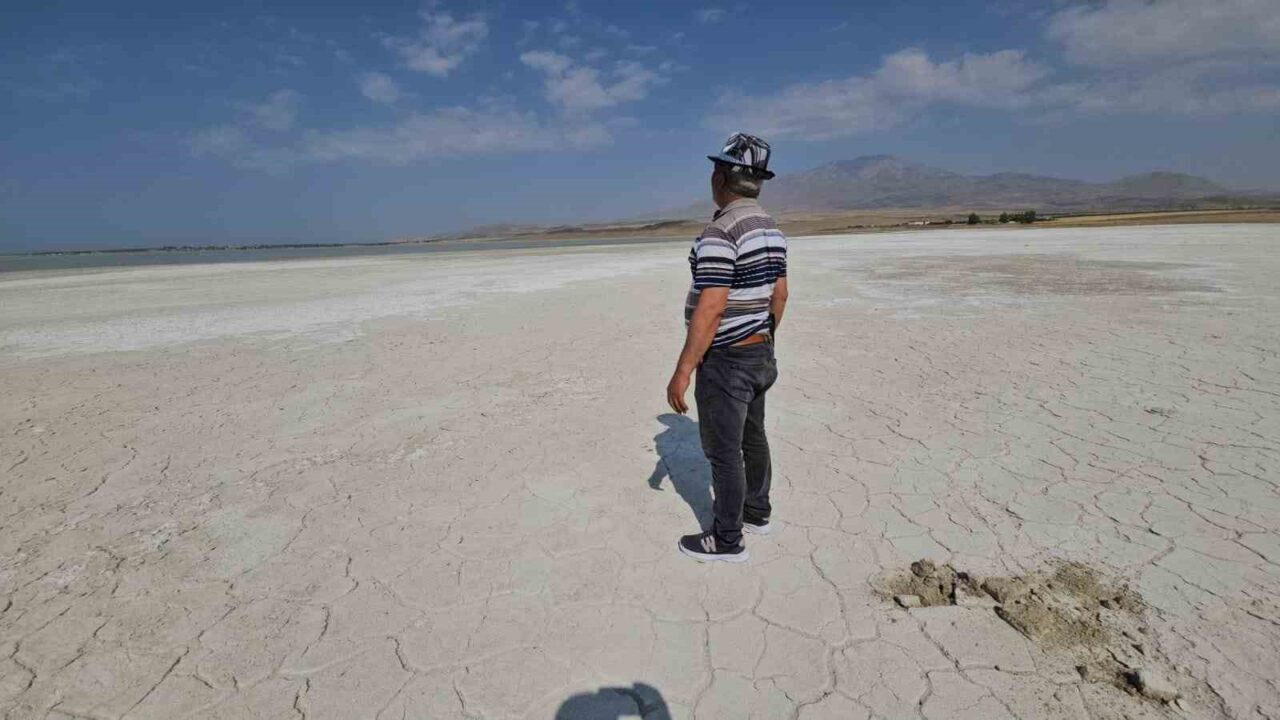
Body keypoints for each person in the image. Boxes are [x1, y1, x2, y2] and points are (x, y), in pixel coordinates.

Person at [666, 133, 788, 563]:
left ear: (720, 176)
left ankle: (727, 539)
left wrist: (684, 369)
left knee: (724, 452)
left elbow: (712, 306)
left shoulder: (722, 230)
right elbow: (780, 295)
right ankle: (757, 512)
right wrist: (762, 338)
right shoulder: (771, 229)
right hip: (759, 352)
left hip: (727, 359)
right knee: (753, 437)